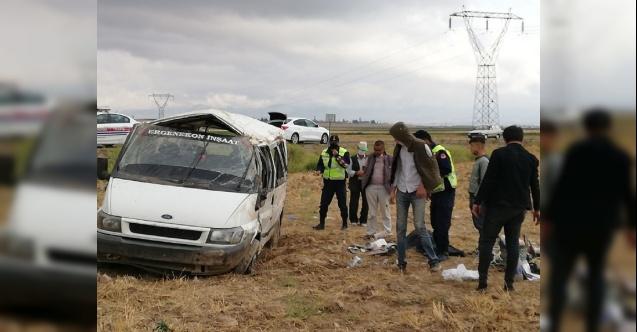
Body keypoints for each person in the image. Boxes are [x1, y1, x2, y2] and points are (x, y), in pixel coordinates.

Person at [544, 110, 636, 332]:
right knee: (596, 275)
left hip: (570, 225)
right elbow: (628, 195)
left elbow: (562, 189)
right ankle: (592, 325)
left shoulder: (576, 152)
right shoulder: (620, 156)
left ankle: (554, 322)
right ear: (608, 127)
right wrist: (631, 227)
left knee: (560, 274)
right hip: (602, 226)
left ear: (586, 128)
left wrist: (549, 219)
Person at [472, 125, 540, 292]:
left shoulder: (499, 154)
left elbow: (489, 180)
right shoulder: (530, 158)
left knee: (487, 241)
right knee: (513, 244)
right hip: (518, 208)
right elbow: (535, 186)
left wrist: (478, 201)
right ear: (522, 138)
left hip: (497, 207)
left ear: (505, 138)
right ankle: (509, 284)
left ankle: (482, 283)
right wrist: (537, 208)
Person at [389, 122, 442, 273]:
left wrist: (424, 186)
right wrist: (393, 190)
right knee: (400, 227)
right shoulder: (399, 148)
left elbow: (431, 169)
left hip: (417, 192)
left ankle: (434, 261)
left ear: (402, 136)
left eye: (395, 137)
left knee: (419, 226)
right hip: (402, 191)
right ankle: (401, 261)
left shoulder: (421, 146)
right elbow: (397, 170)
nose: (394, 141)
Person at [414, 130, 457, 260]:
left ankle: (443, 252)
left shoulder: (439, 151)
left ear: (426, 140)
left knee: (442, 223)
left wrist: (429, 179)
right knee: (435, 222)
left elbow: (446, 169)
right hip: (437, 192)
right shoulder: (429, 152)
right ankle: (438, 248)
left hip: (446, 192)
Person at [314, 135, 350, 230]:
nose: (333, 144)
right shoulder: (324, 152)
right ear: (329, 143)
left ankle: (345, 224)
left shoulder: (344, 152)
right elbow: (320, 165)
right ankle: (321, 224)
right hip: (328, 182)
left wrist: (337, 156)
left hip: (340, 182)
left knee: (342, 204)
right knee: (324, 204)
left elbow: (345, 165)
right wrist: (319, 170)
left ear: (338, 143)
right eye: (332, 142)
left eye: (335, 142)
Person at [361, 140, 393, 238]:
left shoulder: (389, 159)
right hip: (371, 187)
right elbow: (364, 169)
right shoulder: (370, 157)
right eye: (375, 149)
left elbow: (394, 173)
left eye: (379, 150)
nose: (377, 152)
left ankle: (387, 231)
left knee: (385, 210)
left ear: (383, 149)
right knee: (372, 212)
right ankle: (371, 232)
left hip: (384, 188)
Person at [468, 135, 489, 234]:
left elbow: (484, 182)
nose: (470, 149)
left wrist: (478, 200)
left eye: (471, 146)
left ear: (478, 146)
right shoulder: (479, 160)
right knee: (479, 224)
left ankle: (485, 248)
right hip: (475, 197)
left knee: (482, 225)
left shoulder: (484, 161)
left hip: (478, 198)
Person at [347, 141, 369, 226]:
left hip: (365, 182)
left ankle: (363, 220)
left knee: (366, 202)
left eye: (363, 150)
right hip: (355, 182)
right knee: (354, 201)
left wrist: (366, 173)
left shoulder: (368, 159)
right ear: (358, 149)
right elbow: (348, 171)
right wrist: (356, 173)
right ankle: (353, 219)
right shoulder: (352, 159)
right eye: (360, 149)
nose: (362, 151)